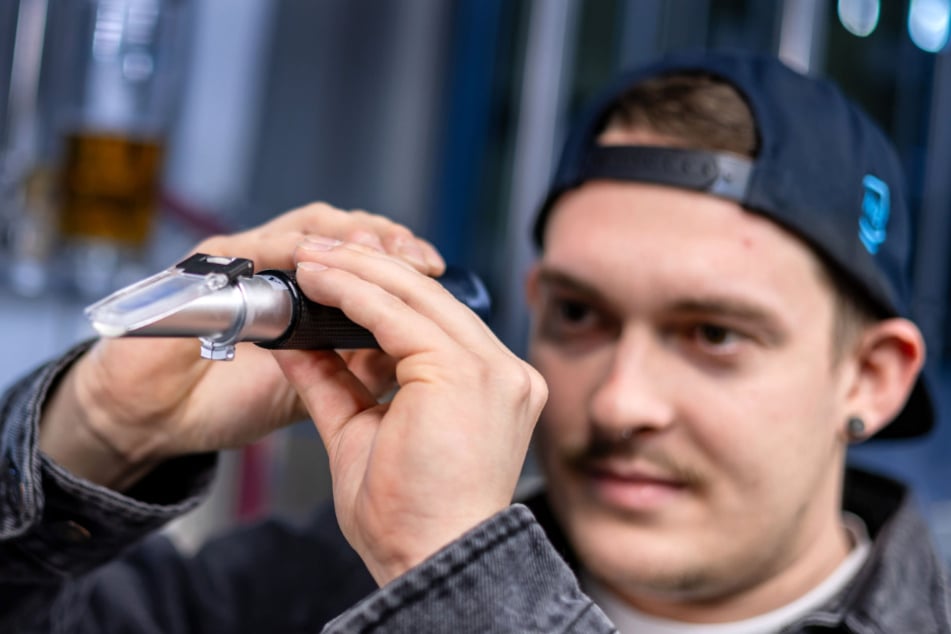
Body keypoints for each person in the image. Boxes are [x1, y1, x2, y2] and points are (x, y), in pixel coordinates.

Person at [1, 48, 947, 633]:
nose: (618, 401)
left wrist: (456, 589)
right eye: (577, 316)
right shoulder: (319, 583)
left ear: (869, 376)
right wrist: (102, 431)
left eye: (713, 334)